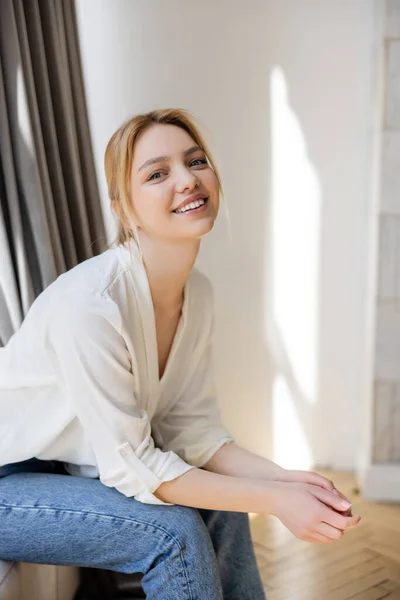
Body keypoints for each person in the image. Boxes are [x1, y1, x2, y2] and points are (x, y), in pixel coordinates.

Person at [0, 109, 360, 600]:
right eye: (157, 173)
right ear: (124, 207)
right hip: (9, 477)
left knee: (222, 505)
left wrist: (289, 481)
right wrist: (276, 499)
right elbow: (136, 466)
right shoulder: (91, 305)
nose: (188, 180)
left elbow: (193, 431)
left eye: (196, 161)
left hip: (60, 466)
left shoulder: (199, 294)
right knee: (175, 533)